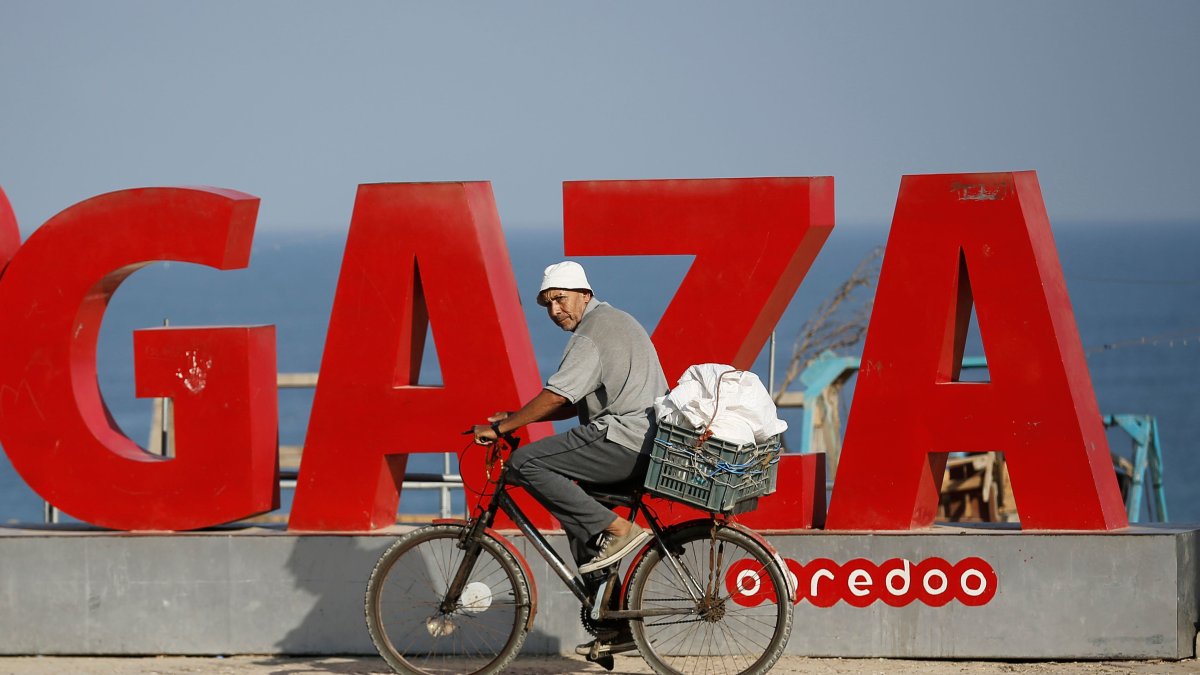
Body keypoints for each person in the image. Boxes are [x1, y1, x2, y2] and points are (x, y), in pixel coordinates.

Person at [472, 260, 668, 575]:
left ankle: (620, 530)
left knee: (524, 462)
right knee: (579, 521)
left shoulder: (593, 332)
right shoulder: (616, 320)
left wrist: (501, 428)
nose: (554, 310)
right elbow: (572, 402)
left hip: (621, 439)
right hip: (644, 441)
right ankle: (607, 614)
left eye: (561, 298)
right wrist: (517, 417)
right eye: (548, 303)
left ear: (584, 294)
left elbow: (557, 396)